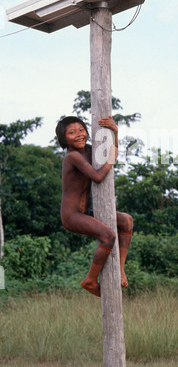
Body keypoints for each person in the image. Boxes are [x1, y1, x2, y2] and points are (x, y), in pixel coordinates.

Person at [55, 115, 133, 298]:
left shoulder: (90, 150)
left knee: (127, 221)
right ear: (63, 138)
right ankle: (90, 279)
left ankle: (121, 270)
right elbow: (98, 176)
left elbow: (111, 152)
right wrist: (111, 159)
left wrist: (115, 132)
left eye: (81, 130)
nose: (79, 135)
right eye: (72, 133)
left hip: (86, 212)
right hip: (72, 215)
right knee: (108, 236)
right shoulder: (72, 157)